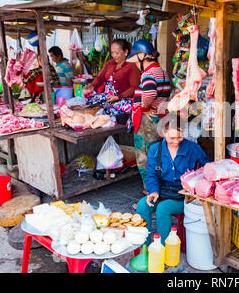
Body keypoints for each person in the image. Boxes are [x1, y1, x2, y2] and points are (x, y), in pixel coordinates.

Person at [136, 119, 211, 245]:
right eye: (172, 138)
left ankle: (163, 249)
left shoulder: (192, 148)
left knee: (163, 208)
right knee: (142, 206)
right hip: (162, 191)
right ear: (163, 133)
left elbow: (208, 167)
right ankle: (145, 246)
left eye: (179, 137)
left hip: (184, 195)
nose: (176, 141)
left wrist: (198, 182)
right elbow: (152, 175)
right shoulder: (155, 150)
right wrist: (153, 191)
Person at [127, 39, 172, 194]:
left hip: (148, 120)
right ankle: (161, 186)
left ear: (141, 57)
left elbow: (150, 93)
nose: (134, 64)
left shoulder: (148, 74)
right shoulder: (163, 72)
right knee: (159, 153)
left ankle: (150, 189)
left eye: (135, 60)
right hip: (161, 118)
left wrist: (145, 108)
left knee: (145, 155)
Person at [83, 39, 141, 117]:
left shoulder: (132, 66)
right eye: (112, 52)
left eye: (117, 53)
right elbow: (100, 78)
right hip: (108, 97)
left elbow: (134, 87)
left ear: (126, 52)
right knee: (89, 101)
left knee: (118, 108)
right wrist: (92, 86)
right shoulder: (109, 64)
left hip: (123, 99)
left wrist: (118, 97)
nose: (114, 55)